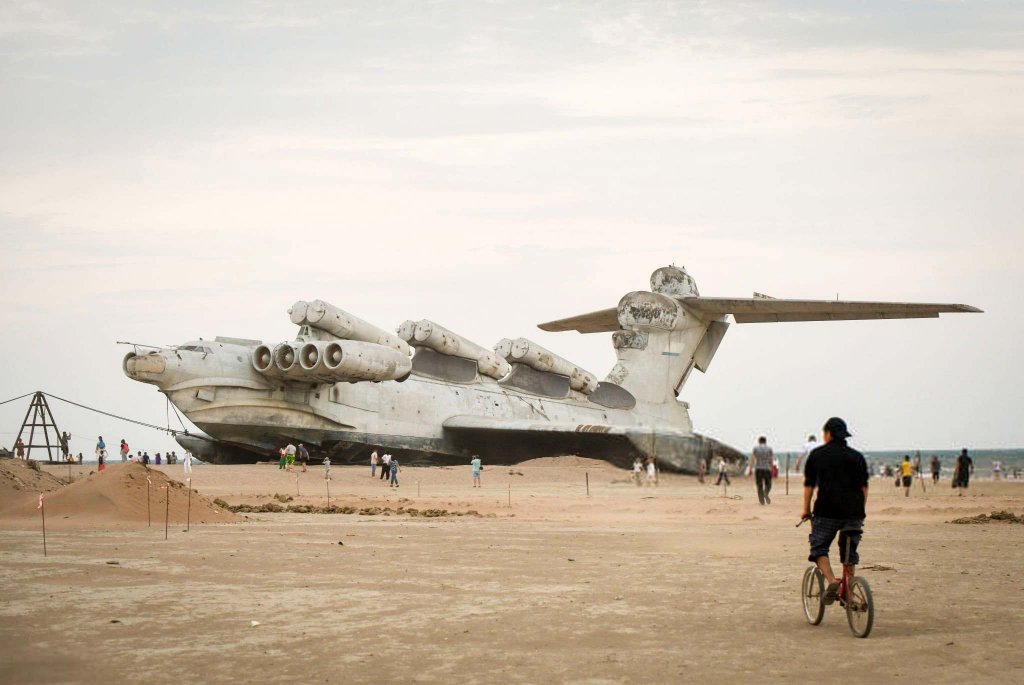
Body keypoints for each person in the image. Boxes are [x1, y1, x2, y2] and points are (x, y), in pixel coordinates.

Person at [802, 417, 869, 605]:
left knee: (819, 546)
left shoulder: (817, 455)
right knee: (849, 551)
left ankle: (832, 582)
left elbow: (809, 486)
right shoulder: (857, 457)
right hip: (854, 512)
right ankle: (848, 590)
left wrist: (806, 510)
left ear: (828, 434)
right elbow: (864, 489)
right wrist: (859, 511)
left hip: (827, 511)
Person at [750, 436, 774, 505]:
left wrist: (750, 469)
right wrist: (772, 468)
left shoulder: (755, 448)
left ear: (759, 441)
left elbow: (753, 459)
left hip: (758, 468)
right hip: (767, 468)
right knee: (768, 484)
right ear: (765, 441)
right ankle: (765, 493)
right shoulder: (769, 448)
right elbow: (771, 459)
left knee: (759, 485)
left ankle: (762, 501)